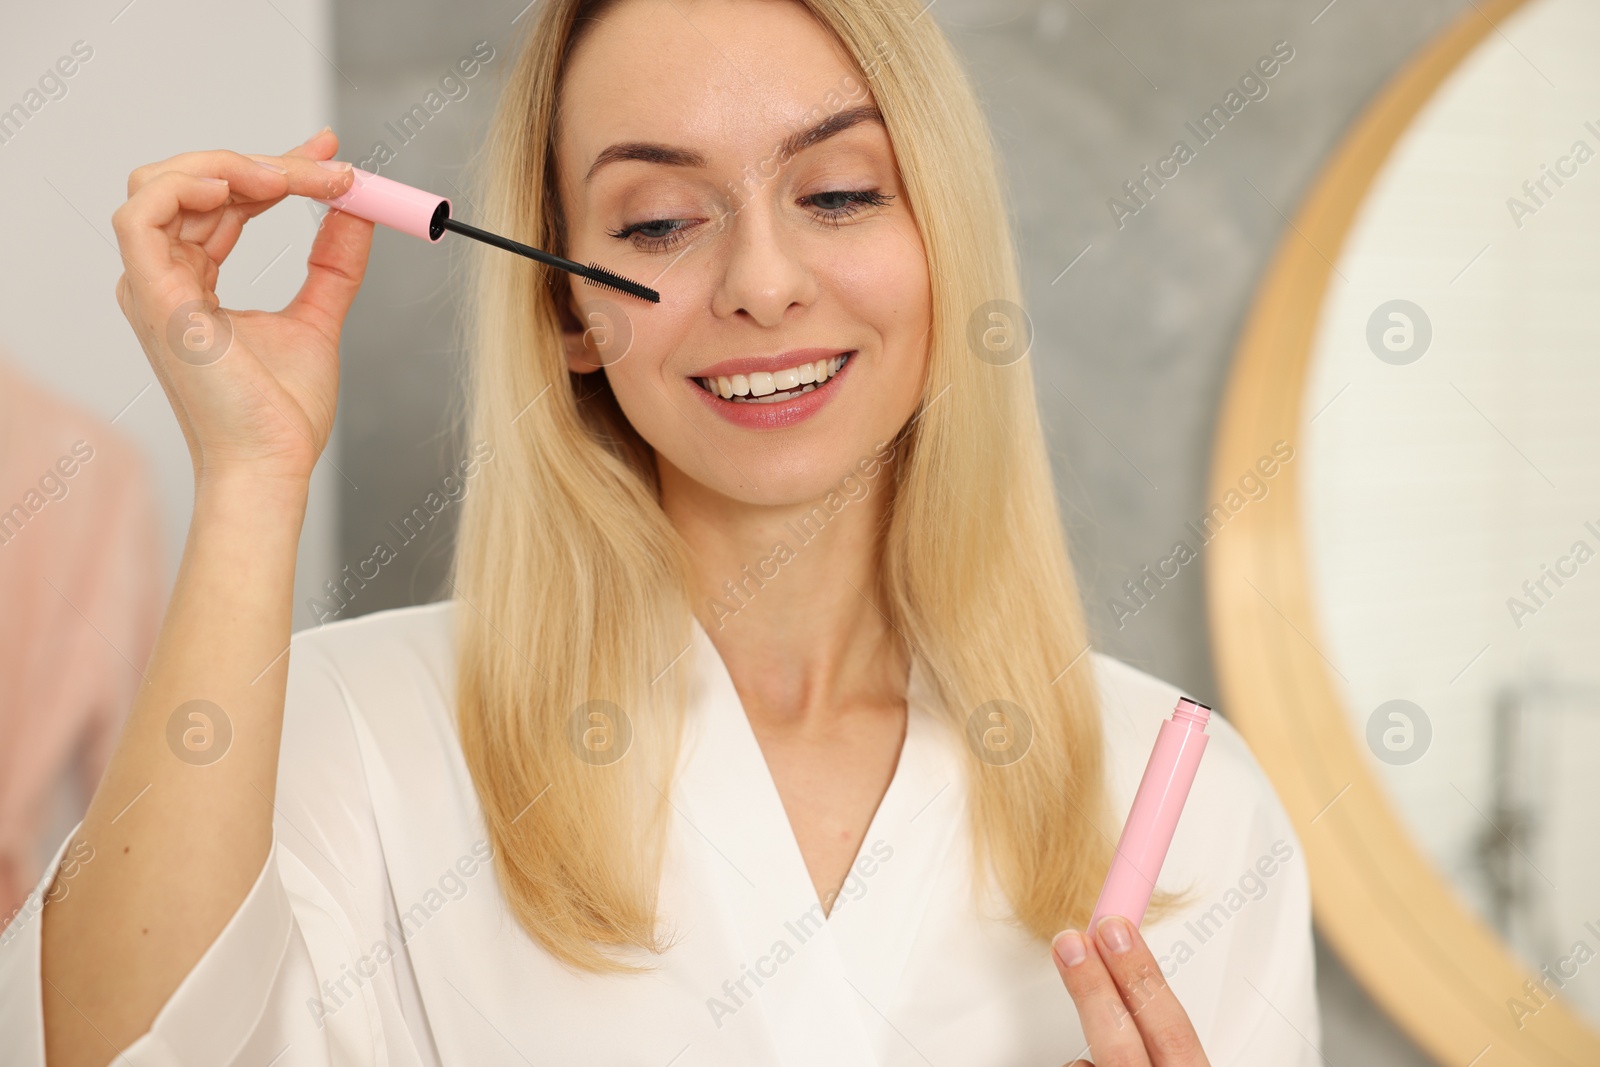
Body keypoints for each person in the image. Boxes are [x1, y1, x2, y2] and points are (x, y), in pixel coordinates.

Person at [3, 1, 1320, 1064]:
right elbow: (115, 1051)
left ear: (944, 250)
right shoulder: (348, 732)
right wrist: (249, 473)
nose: (760, 284)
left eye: (842, 194)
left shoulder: (1180, 799)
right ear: (573, 313)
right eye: (660, 224)